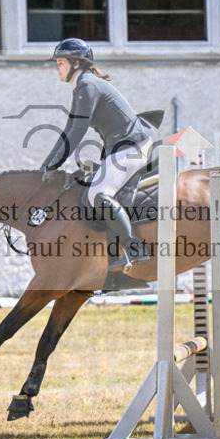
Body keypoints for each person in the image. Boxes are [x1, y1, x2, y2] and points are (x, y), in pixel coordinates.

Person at [39, 38, 153, 272]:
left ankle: (134, 248)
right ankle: (114, 254)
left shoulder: (87, 85)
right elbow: (69, 130)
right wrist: (47, 164)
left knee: (98, 194)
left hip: (132, 146)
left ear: (76, 64)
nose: (56, 68)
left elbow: (77, 131)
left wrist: (53, 164)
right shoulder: (83, 84)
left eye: (60, 62)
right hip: (121, 147)